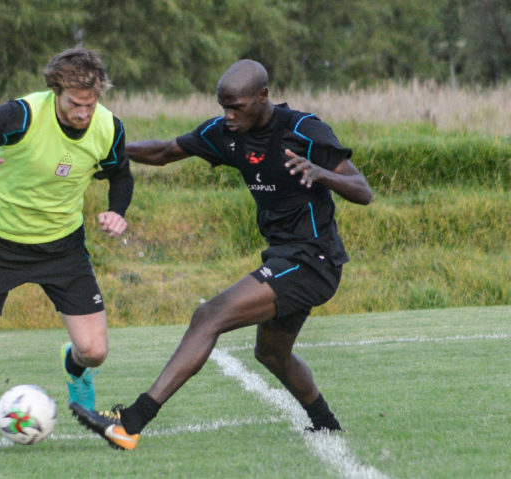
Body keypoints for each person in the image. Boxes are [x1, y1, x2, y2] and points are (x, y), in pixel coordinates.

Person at [70, 59, 372, 450]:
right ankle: (326, 423)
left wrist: (321, 172)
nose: (228, 116)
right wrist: (104, 152)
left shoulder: (302, 130)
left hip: (314, 260)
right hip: (282, 258)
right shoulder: (226, 134)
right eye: (223, 107)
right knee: (272, 355)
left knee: (209, 315)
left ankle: (130, 422)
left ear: (263, 97)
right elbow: (164, 152)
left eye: (237, 107)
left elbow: (362, 189)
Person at [0, 47, 133, 454]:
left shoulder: (108, 127)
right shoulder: (21, 116)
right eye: (75, 104)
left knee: (94, 351)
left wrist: (117, 211)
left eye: (90, 104)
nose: (83, 113)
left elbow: (120, 174)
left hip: (61, 247)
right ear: (55, 91)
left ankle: (73, 368)